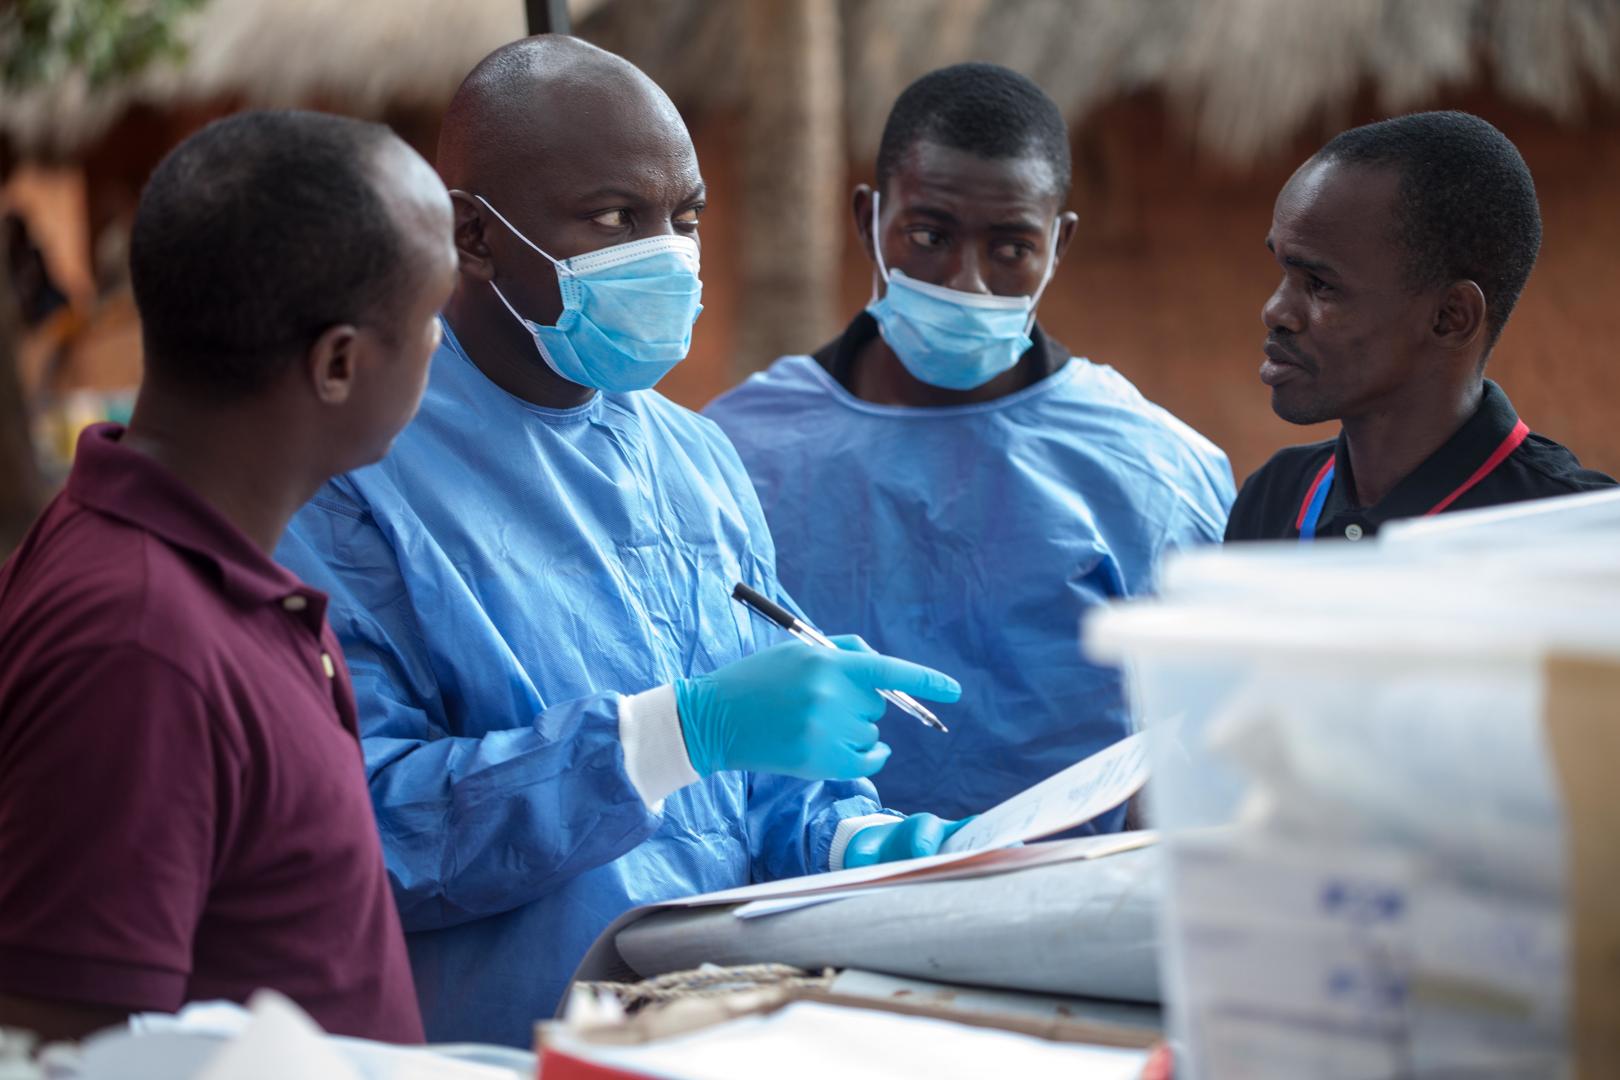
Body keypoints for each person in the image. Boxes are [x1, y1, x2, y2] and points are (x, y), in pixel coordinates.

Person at [275, 36, 966, 1047]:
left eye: (685, 218)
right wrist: (662, 738)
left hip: (722, 1034)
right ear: (473, 233)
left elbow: (747, 795)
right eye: (615, 218)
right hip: (504, 1046)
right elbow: (362, 834)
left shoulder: (695, 460)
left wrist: (854, 835)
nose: (667, 254)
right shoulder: (357, 470)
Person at [0, 110, 458, 1043]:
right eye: (431, 317)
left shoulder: (223, 571)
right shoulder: (139, 644)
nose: (442, 345)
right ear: (338, 363)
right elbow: (53, 1043)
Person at [705, 63, 1234, 823]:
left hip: (1071, 908)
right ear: (868, 221)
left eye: (1012, 248)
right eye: (929, 235)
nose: (968, 282)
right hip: (789, 914)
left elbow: (1214, 737)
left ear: (1061, 243)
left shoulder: (1154, 471)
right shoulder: (733, 451)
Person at [1226, 110, 1614, 542]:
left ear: (1451, 317)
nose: (1275, 311)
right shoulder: (1274, 498)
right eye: (1283, 271)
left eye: (1319, 284)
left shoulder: (1577, 534)